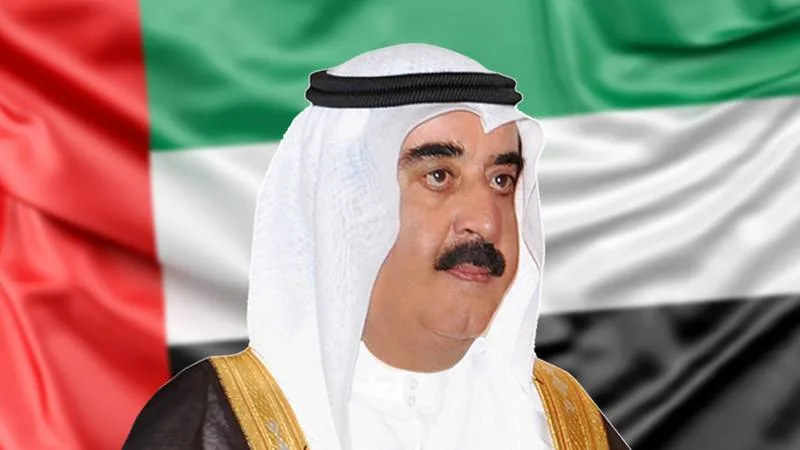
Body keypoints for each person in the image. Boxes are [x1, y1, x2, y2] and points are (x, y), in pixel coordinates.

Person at [123, 43, 630, 450]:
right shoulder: (222, 421)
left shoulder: (563, 421)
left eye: (501, 180)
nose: (485, 220)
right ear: (348, 207)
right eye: (438, 176)